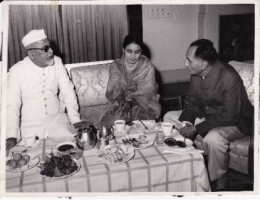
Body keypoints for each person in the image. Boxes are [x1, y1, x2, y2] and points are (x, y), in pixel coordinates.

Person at [164, 39, 254, 191]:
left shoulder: (229, 77)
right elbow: (192, 101)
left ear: (203, 64)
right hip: (208, 115)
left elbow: (230, 116)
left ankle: (218, 179)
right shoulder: (196, 74)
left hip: (235, 121)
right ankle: (181, 162)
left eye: (189, 60)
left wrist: (197, 128)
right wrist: (187, 123)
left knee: (213, 138)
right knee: (168, 117)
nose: (186, 64)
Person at [6, 29, 86, 151]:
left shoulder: (57, 62)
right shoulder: (17, 71)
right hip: (30, 125)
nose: (51, 51)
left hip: (57, 120)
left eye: (50, 46)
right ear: (32, 54)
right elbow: (12, 104)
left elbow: (68, 91)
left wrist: (75, 119)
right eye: (45, 49)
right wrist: (11, 135)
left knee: (72, 148)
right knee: (32, 156)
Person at [99, 34, 161, 126]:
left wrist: (131, 104)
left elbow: (148, 92)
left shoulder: (147, 66)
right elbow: (116, 89)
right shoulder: (116, 66)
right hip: (122, 102)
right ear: (123, 50)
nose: (133, 56)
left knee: (139, 125)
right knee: (111, 123)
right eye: (129, 51)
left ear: (141, 52)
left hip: (144, 104)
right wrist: (124, 104)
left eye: (137, 52)